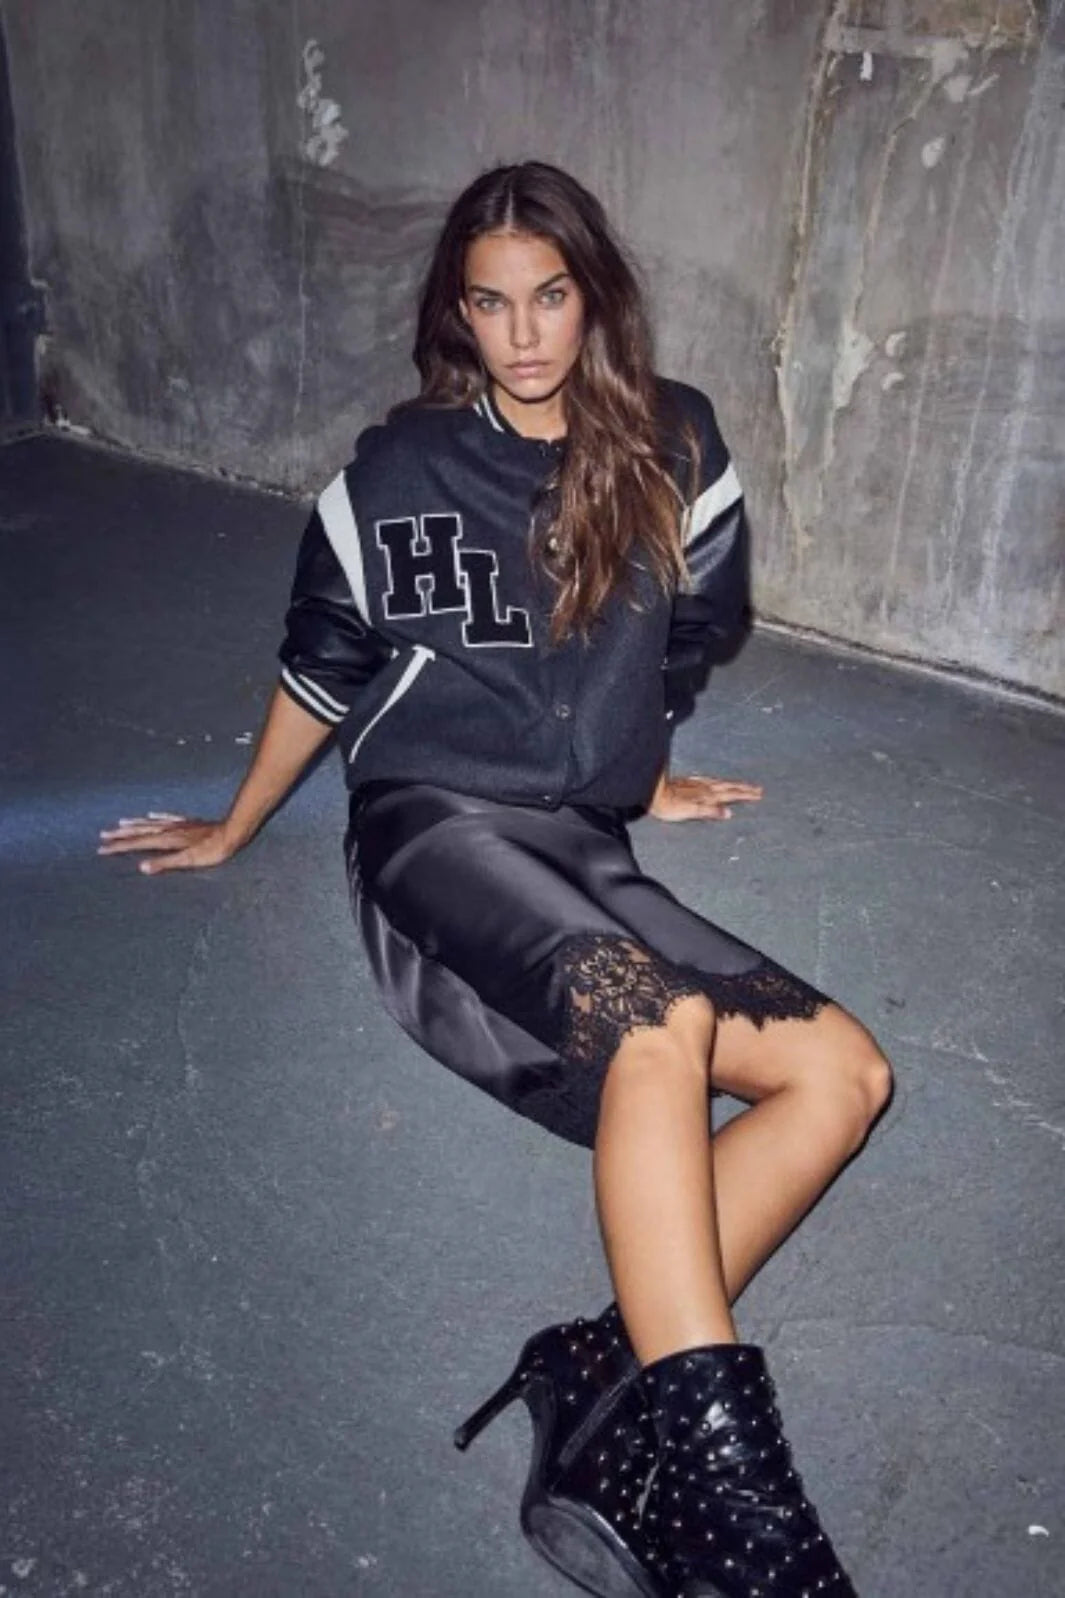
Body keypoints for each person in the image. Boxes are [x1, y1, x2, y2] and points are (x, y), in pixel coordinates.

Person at [100, 161, 893, 1598]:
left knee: (844, 1073)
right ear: (455, 316)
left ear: (592, 298)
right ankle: (740, 1507)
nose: (523, 334)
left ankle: (595, 1364)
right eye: (489, 303)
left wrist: (639, 764)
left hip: (578, 836)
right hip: (437, 821)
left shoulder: (677, 444)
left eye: (549, 296)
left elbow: (689, 630)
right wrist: (232, 825)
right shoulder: (397, 471)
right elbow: (320, 665)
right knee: (657, 1026)